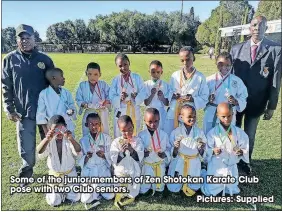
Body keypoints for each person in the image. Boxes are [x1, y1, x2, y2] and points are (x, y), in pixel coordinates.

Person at [2, 24, 54, 184]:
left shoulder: (44, 60)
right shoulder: (9, 59)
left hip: (45, 112)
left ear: (34, 39)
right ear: (17, 40)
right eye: (21, 38)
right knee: (26, 145)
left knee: (50, 141)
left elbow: (54, 84)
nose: (24, 41)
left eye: (28, 38)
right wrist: (9, 108)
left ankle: (57, 168)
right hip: (23, 112)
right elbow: (6, 85)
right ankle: (26, 172)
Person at [230, 16, 281, 173]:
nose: (257, 28)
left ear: (267, 28)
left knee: (249, 135)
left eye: (261, 25)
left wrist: (271, 106)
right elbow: (229, 77)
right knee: (233, 133)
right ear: (249, 28)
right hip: (236, 102)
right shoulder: (236, 49)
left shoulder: (276, 50)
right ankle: (232, 161)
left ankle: (245, 162)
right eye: (254, 25)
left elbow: (275, 80)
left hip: (257, 102)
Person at [201, 103, 249, 196]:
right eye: (223, 116)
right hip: (216, 167)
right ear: (217, 115)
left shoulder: (238, 132)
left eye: (229, 116)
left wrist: (241, 151)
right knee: (210, 191)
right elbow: (206, 150)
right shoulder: (212, 133)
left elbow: (245, 147)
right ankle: (204, 173)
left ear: (233, 113)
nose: (226, 119)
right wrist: (213, 151)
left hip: (231, 168)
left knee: (232, 190)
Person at [36, 115, 81, 206]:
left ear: (65, 127)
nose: (59, 133)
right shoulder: (49, 141)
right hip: (55, 175)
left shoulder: (68, 139)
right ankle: (57, 191)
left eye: (61, 129)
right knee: (54, 201)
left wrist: (71, 138)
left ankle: (63, 191)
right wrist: (46, 139)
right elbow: (39, 152)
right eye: (55, 130)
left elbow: (78, 151)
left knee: (75, 197)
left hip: (69, 174)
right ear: (50, 130)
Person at [165, 46, 209, 136]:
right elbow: (168, 92)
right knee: (171, 135)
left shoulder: (200, 77)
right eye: (182, 60)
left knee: (188, 136)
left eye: (188, 59)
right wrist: (173, 95)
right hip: (175, 110)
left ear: (194, 58)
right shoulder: (175, 75)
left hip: (190, 113)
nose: (185, 63)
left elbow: (205, 97)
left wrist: (192, 99)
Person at [203, 52, 248, 135]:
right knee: (209, 140)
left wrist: (236, 101)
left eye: (227, 65)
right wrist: (208, 99)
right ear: (216, 63)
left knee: (226, 141)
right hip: (212, 114)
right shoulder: (209, 80)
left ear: (231, 64)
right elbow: (202, 96)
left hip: (228, 116)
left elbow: (243, 96)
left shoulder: (237, 81)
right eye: (220, 64)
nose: (224, 67)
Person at [167, 105, 207, 196]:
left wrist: (201, 148)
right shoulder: (176, 132)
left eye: (194, 117)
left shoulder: (199, 132)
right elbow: (172, 153)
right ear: (181, 117)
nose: (192, 119)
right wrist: (176, 148)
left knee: (194, 187)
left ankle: (202, 171)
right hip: (180, 161)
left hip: (194, 162)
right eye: (189, 117)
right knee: (173, 188)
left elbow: (203, 153)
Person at [78, 113, 114, 209]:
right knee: (85, 199)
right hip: (90, 171)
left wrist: (104, 156)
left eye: (96, 124)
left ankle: (98, 191)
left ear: (100, 124)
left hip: (103, 170)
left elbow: (111, 155)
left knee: (110, 195)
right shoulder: (83, 140)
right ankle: (94, 192)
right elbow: (79, 160)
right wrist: (86, 157)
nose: (94, 127)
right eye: (91, 124)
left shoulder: (107, 138)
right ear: (86, 125)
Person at [110, 115, 144, 208]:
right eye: (124, 131)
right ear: (119, 129)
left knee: (133, 191)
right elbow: (114, 160)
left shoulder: (138, 140)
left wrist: (132, 150)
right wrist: (122, 153)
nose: (128, 132)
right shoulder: (116, 142)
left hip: (133, 171)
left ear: (133, 126)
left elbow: (139, 158)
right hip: (121, 172)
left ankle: (131, 194)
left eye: (130, 129)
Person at [109, 53, 146, 138]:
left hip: (133, 109)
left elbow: (143, 92)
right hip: (121, 110)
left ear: (129, 63)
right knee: (119, 134)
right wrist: (119, 98)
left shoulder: (137, 77)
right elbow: (111, 96)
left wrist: (136, 97)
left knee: (134, 132)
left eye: (125, 64)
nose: (123, 68)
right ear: (117, 66)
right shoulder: (115, 80)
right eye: (120, 66)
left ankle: (134, 150)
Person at [138, 108, 171, 195]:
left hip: (159, 164)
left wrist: (165, 154)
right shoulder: (141, 135)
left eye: (156, 121)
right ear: (145, 121)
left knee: (159, 189)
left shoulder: (164, 134)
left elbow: (168, 148)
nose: (153, 124)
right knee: (143, 190)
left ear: (159, 120)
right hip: (147, 166)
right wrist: (143, 154)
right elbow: (138, 150)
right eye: (150, 122)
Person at [36, 67, 77, 136]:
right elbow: (41, 115)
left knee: (69, 145)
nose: (64, 78)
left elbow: (72, 105)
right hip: (53, 128)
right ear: (54, 78)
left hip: (67, 127)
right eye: (61, 76)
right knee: (55, 146)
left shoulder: (66, 92)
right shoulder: (44, 94)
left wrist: (71, 111)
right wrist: (47, 133)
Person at [76, 62, 111, 136]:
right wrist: (84, 104)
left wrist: (106, 101)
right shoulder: (82, 85)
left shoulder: (103, 84)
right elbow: (78, 99)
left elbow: (110, 96)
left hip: (102, 112)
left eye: (95, 74)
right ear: (86, 73)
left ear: (100, 75)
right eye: (90, 74)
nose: (92, 77)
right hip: (89, 112)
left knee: (103, 133)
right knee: (87, 133)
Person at [143, 60, 170, 130]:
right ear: (149, 72)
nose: (155, 74)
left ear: (162, 72)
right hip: (149, 112)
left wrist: (162, 98)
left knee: (161, 131)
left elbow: (167, 103)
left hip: (161, 112)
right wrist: (152, 95)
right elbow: (146, 103)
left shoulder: (166, 85)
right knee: (149, 132)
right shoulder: (145, 85)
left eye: (158, 72)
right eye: (153, 72)